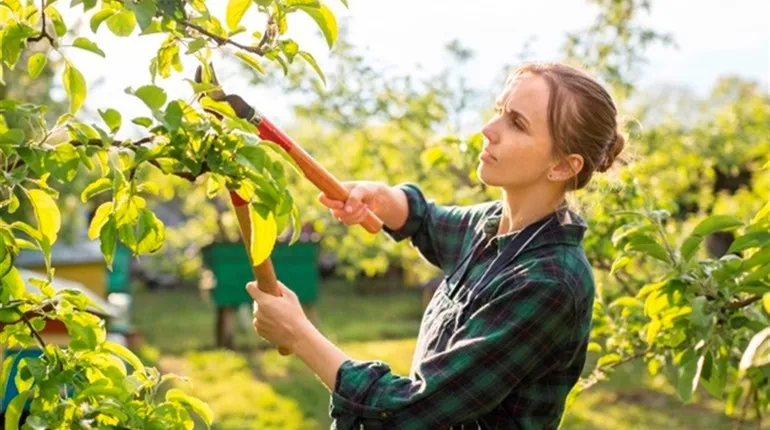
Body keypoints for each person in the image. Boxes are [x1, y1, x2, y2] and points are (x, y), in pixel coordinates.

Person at [246, 62, 626, 429]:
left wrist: (299, 334)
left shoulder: (550, 283)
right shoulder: (493, 226)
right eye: (499, 111)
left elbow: (406, 412)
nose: (489, 129)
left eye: (517, 123)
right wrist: (383, 198)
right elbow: (427, 222)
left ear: (562, 166)